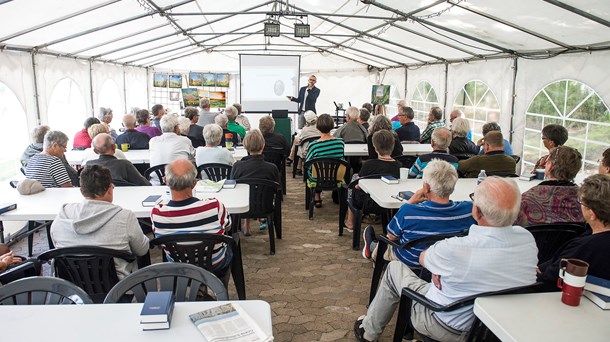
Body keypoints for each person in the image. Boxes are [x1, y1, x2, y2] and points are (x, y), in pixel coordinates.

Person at [355, 177, 538, 342]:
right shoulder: (528, 240)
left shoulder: (455, 248)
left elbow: (422, 258)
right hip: (496, 328)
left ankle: (369, 332)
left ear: (477, 211)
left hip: (447, 325)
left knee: (394, 269)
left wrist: (439, 268)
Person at [363, 159, 476, 264]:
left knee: (386, 245)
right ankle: (373, 246)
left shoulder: (408, 211)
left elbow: (392, 236)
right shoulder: (468, 209)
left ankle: (372, 247)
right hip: (449, 261)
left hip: (412, 261)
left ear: (426, 187)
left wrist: (410, 202)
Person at [50, 165, 149, 278]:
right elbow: (142, 250)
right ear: (109, 189)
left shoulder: (62, 215)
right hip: (117, 288)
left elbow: (56, 244)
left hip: (72, 287)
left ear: (81, 191)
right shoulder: (124, 217)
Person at [151, 160, 232, 273]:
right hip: (214, 263)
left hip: (178, 266)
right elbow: (228, 226)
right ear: (194, 183)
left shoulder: (157, 213)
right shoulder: (215, 206)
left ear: (165, 181)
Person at [537, 174, 610, 290]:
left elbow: (548, 279)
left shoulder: (584, 247)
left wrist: (535, 272)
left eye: (581, 202)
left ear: (592, 214)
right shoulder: (589, 235)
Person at [345, 130, 402, 230]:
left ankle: (350, 222)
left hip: (366, 203)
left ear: (375, 149)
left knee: (352, 184)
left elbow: (358, 185)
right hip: (389, 200)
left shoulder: (368, 165)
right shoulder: (399, 165)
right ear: (393, 146)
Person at [515, 146, 583, 227]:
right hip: (574, 239)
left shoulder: (527, 198)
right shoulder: (584, 199)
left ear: (550, 166)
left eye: (547, 162)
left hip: (534, 239)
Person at [230, 130, 280, 235]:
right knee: (261, 191)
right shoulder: (271, 168)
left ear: (245, 146)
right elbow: (277, 189)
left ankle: (246, 225)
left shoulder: (237, 166)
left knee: (245, 191)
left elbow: (233, 187)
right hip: (265, 206)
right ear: (263, 145)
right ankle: (261, 219)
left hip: (242, 205)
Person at [305, 114, 345, 207]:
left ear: (318, 127)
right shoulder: (340, 143)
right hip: (336, 177)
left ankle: (317, 196)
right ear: (332, 126)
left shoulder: (313, 145)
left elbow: (307, 163)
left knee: (315, 169)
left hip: (317, 179)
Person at [86, 133, 151, 186]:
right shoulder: (125, 164)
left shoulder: (89, 166)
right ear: (114, 147)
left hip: (98, 200)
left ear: (95, 151)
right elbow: (144, 184)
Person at [149, 115, 195, 184]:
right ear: (176, 128)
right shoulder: (185, 140)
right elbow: (193, 158)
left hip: (156, 182)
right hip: (180, 182)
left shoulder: (153, 141)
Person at [288, 111, 321, 175]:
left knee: (297, 142)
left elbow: (300, 140)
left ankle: (294, 163)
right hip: (318, 150)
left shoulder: (305, 130)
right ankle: (293, 162)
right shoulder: (320, 128)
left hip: (306, 153)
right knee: (300, 144)